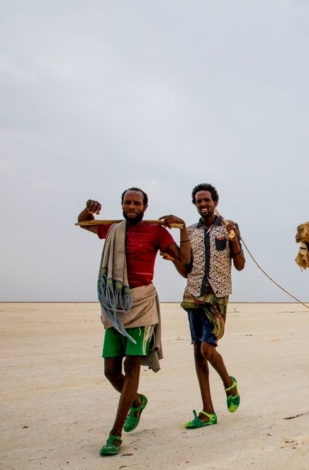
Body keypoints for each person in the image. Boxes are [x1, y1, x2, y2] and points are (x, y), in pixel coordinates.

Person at [78, 188, 188, 456]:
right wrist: (88, 210)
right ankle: (137, 402)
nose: (132, 206)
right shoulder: (114, 229)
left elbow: (185, 264)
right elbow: (83, 223)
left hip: (141, 306)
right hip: (115, 306)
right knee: (111, 371)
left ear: (145, 206)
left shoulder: (157, 232)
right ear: (122, 205)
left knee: (132, 365)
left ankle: (115, 434)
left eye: (137, 203)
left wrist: (182, 229)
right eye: (127, 202)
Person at [165, 183, 245, 429]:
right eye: (198, 201)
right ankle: (208, 411)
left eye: (206, 200)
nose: (203, 204)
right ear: (195, 204)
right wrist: (173, 260)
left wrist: (233, 239)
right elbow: (186, 270)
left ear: (215, 201)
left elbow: (240, 265)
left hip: (218, 295)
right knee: (197, 351)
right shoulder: (189, 232)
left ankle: (228, 384)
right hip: (193, 294)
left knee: (207, 350)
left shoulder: (229, 227)